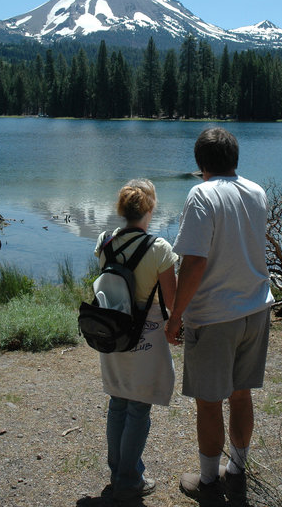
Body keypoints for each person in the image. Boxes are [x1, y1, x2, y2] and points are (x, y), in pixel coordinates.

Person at [165, 127, 274, 503]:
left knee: (209, 401)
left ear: (201, 164)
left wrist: (175, 316)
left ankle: (209, 479)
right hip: (256, 309)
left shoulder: (201, 195)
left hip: (213, 316)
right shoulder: (256, 191)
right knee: (241, 395)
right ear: (235, 159)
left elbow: (194, 262)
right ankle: (238, 469)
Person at [94, 179, 177, 502]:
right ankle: (129, 479)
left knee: (117, 401)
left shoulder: (104, 241)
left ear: (121, 209)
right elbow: (170, 300)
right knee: (139, 407)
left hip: (112, 331)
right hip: (146, 335)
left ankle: (118, 471)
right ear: (151, 209)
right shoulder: (160, 249)